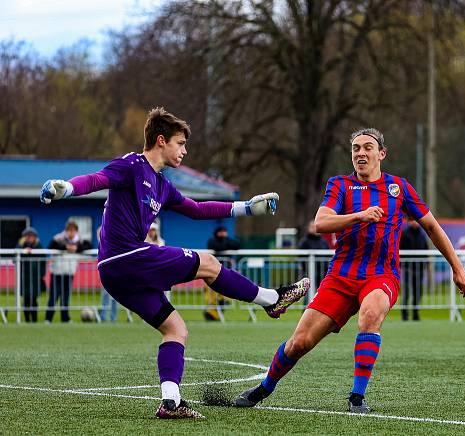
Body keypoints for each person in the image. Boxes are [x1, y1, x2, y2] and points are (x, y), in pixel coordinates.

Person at [39, 107, 308, 419]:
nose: (185, 150)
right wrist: (67, 188)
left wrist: (245, 208)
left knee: (176, 329)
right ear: (161, 141)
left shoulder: (162, 184)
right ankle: (271, 299)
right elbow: (97, 179)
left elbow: (195, 209)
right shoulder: (132, 165)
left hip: (117, 274)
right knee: (207, 262)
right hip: (123, 257)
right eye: (181, 143)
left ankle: (170, 402)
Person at [234, 127, 465, 413]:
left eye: (368, 147)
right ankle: (264, 388)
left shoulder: (399, 188)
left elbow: (432, 227)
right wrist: (359, 215)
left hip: (381, 275)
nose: (361, 152)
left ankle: (356, 398)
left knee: (370, 315)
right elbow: (321, 223)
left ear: (381, 154)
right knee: (300, 342)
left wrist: (457, 268)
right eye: (356, 148)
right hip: (341, 276)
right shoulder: (340, 185)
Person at [46, 220, 91, 323]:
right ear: (66, 230)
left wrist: (76, 248)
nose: (71, 232)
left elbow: (88, 246)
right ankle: (48, 318)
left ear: (76, 231)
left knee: (66, 297)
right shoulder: (59, 238)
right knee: (54, 296)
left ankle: (65, 318)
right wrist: (65, 247)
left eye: (73, 230)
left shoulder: (79, 240)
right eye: (69, 230)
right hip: (57, 272)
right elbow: (50, 247)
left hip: (70, 272)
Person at [204, 226, 240, 321]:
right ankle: (211, 314)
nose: (223, 234)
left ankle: (217, 312)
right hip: (213, 271)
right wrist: (225, 241)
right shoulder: (212, 241)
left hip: (226, 271)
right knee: (213, 293)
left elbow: (237, 245)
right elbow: (217, 247)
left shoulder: (228, 240)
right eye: (221, 232)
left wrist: (225, 240)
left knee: (225, 292)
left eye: (225, 232)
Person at [399, 217, 428, 321]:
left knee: (418, 293)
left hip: (419, 268)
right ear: (408, 222)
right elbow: (399, 249)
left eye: (416, 220)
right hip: (408, 268)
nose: (414, 223)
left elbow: (426, 249)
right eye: (412, 220)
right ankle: (404, 314)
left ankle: (415, 314)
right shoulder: (404, 233)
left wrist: (425, 265)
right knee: (406, 292)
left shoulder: (422, 234)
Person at [16, 227, 46, 323]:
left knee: (34, 300)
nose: (29, 238)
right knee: (26, 300)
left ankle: (34, 319)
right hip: (24, 278)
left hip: (35, 278)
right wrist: (21, 248)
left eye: (31, 236)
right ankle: (27, 319)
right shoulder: (20, 246)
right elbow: (14, 257)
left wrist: (41, 274)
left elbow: (43, 261)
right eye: (27, 236)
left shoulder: (38, 246)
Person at [297, 220, 331, 304]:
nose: (315, 229)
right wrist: (306, 271)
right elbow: (301, 258)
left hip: (323, 274)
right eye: (312, 227)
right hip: (309, 275)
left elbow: (327, 257)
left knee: (323, 297)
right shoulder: (304, 242)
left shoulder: (324, 242)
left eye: (316, 226)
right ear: (309, 228)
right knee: (308, 298)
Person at [96, 226, 120, 323]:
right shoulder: (103, 243)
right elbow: (99, 231)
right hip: (107, 271)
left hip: (117, 270)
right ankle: (103, 316)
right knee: (105, 295)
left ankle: (113, 318)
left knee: (115, 296)